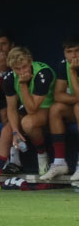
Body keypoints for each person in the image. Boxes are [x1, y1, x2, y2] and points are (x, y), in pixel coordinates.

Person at [0, 46, 57, 190]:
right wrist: (14, 131)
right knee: (7, 130)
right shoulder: (9, 77)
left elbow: (33, 108)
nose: (22, 72)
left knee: (28, 122)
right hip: (28, 107)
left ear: (31, 61)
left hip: (49, 108)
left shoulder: (43, 72)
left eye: (24, 67)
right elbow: (11, 108)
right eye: (17, 69)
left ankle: (42, 157)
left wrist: (23, 84)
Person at [41, 36, 79, 181]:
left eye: (77, 51)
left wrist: (74, 72)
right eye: (70, 52)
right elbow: (58, 95)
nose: (74, 55)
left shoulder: (73, 68)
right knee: (56, 108)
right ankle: (59, 163)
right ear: (64, 53)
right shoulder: (64, 65)